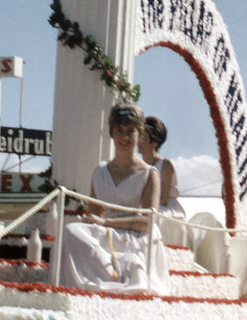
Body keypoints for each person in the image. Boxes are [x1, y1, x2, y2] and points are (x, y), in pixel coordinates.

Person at [60, 103, 169, 295]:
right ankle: (96, 281)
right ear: (112, 133)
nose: (124, 137)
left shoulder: (149, 174)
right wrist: (94, 222)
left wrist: (105, 222)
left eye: (130, 132)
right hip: (105, 233)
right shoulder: (100, 171)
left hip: (133, 236)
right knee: (71, 231)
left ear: (139, 135)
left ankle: (117, 277)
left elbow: (149, 222)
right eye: (120, 131)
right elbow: (93, 215)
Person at [138, 115, 187, 246]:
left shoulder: (164, 166)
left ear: (154, 143)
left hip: (164, 210)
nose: (138, 141)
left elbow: (163, 199)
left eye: (143, 137)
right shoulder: (138, 167)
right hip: (147, 207)